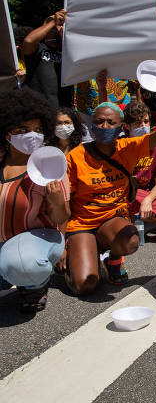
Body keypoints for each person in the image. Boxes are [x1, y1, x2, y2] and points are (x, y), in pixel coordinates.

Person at [64, 86, 156, 295]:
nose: (104, 126)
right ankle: (78, 253)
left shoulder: (129, 147)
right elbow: (65, 202)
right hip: (82, 224)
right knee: (85, 285)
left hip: (112, 219)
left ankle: (113, 259)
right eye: (99, 122)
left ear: (120, 127)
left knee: (131, 240)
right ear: (92, 125)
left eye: (110, 122)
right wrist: (61, 245)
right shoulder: (75, 156)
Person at [0, 88, 70, 312]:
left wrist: (57, 201)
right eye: (23, 129)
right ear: (7, 133)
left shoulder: (49, 166)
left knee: (22, 263)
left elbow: (61, 217)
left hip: (35, 240)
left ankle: (35, 284)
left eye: (38, 129)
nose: (32, 135)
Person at [123, 102, 156, 227]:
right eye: (138, 123)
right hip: (123, 195)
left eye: (146, 121)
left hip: (145, 194)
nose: (143, 126)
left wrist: (148, 200)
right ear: (127, 126)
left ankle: (138, 217)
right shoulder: (120, 146)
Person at [21, 9, 72, 107]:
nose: (55, 31)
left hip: (62, 110)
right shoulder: (38, 49)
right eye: (50, 28)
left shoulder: (68, 53)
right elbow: (28, 41)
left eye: (59, 27)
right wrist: (53, 22)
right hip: (38, 108)